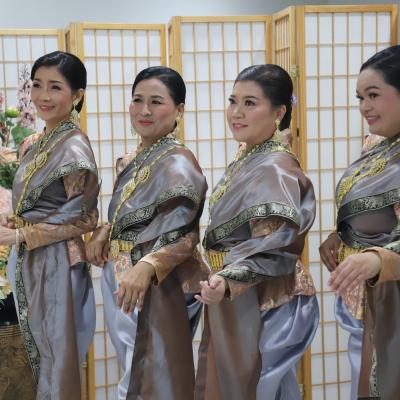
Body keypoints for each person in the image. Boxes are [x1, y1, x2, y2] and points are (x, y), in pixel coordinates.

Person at [194, 64, 319, 400]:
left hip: (267, 297)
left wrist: (228, 279)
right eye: (233, 101)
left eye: (250, 103)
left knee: (255, 386)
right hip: (240, 291)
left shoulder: (275, 167)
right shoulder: (250, 154)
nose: (236, 112)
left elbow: (274, 244)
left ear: (278, 112)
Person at [86, 66, 208, 400]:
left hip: (158, 281)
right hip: (122, 274)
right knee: (133, 367)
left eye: (156, 102)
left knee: (151, 376)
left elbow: (184, 234)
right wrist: (105, 230)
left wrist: (147, 266)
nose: (144, 110)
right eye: (137, 100)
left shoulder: (179, 162)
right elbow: (127, 216)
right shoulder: (132, 158)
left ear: (179, 109)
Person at [0, 51, 99, 399]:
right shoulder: (34, 142)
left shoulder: (74, 148)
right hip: (29, 257)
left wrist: (22, 233)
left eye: (55, 87)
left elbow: (85, 216)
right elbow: (40, 205)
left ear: (77, 95)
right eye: (37, 85)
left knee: (56, 356)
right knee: (37, 353)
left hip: (58, 262)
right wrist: (16, 219)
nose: (43, 96)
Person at [320, 45, 400, 400]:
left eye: (373, 95)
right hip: (366, 298)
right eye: (360, 97)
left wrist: (379, 259)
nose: (364, 107)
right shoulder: (379, 145)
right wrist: (342, 234)